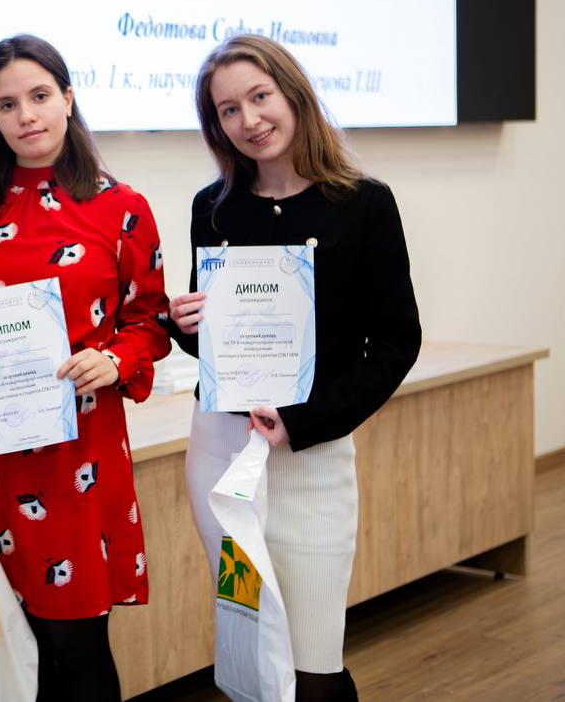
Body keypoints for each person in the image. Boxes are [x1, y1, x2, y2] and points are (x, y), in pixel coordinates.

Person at [167, 34, 421, 702]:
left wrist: (305, 423)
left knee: (314, 663)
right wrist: (183, 323)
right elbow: (211, 345)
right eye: (228, 109)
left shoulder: (364, 203)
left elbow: (396, 341)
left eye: (259, 97)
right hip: (222, 452)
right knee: (253, 650)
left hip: (311, 456)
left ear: (294, 93)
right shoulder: (212, 207)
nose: (248, 120)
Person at [0, 35, 171, 700]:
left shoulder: (124, 208)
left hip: (79, 458)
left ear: (68, 98)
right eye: (7, 104)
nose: (26, 116)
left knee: (77, 648)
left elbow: (150, 321)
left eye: (38, 96)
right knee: (8, 651)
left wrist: (113, 359)